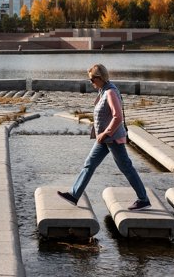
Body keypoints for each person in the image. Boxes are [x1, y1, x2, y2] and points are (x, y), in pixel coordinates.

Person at [58, 64, 151, 211]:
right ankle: (74, 195)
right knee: (89, 164)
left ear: (100, 78)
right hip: (104, 139)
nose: (91, 82)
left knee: (126, 167)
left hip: (112, 138)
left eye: (92, 79)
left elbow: (118, 116)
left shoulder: (110, 92)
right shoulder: (103, 91)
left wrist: (105, 133)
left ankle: (143, 199)